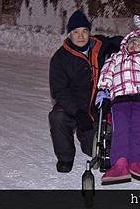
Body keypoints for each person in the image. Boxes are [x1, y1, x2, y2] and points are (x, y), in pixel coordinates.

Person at [48, 10, 122, 173]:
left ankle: (86, 137)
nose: (80, 36)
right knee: (57, 117)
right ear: (69, 34)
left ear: (89, 32)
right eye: (76, 32)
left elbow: (124, 42)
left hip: (97, 109)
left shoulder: (101, 46)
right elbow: (59, 91)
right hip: (74, 108)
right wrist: (77, 112)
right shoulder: (60, 59)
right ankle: (65, 158)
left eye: (84, 31)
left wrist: (136, 44)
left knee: (92, 150)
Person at [94, 13, 140, 184]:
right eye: (132, 42)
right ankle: (120, 163)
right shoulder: (115, 58)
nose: (134, 46)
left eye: (139, 44)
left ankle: (136, 161)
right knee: (121, 129)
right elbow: (106, 74)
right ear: (126, 43)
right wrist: (103, 90)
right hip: (120, 100)